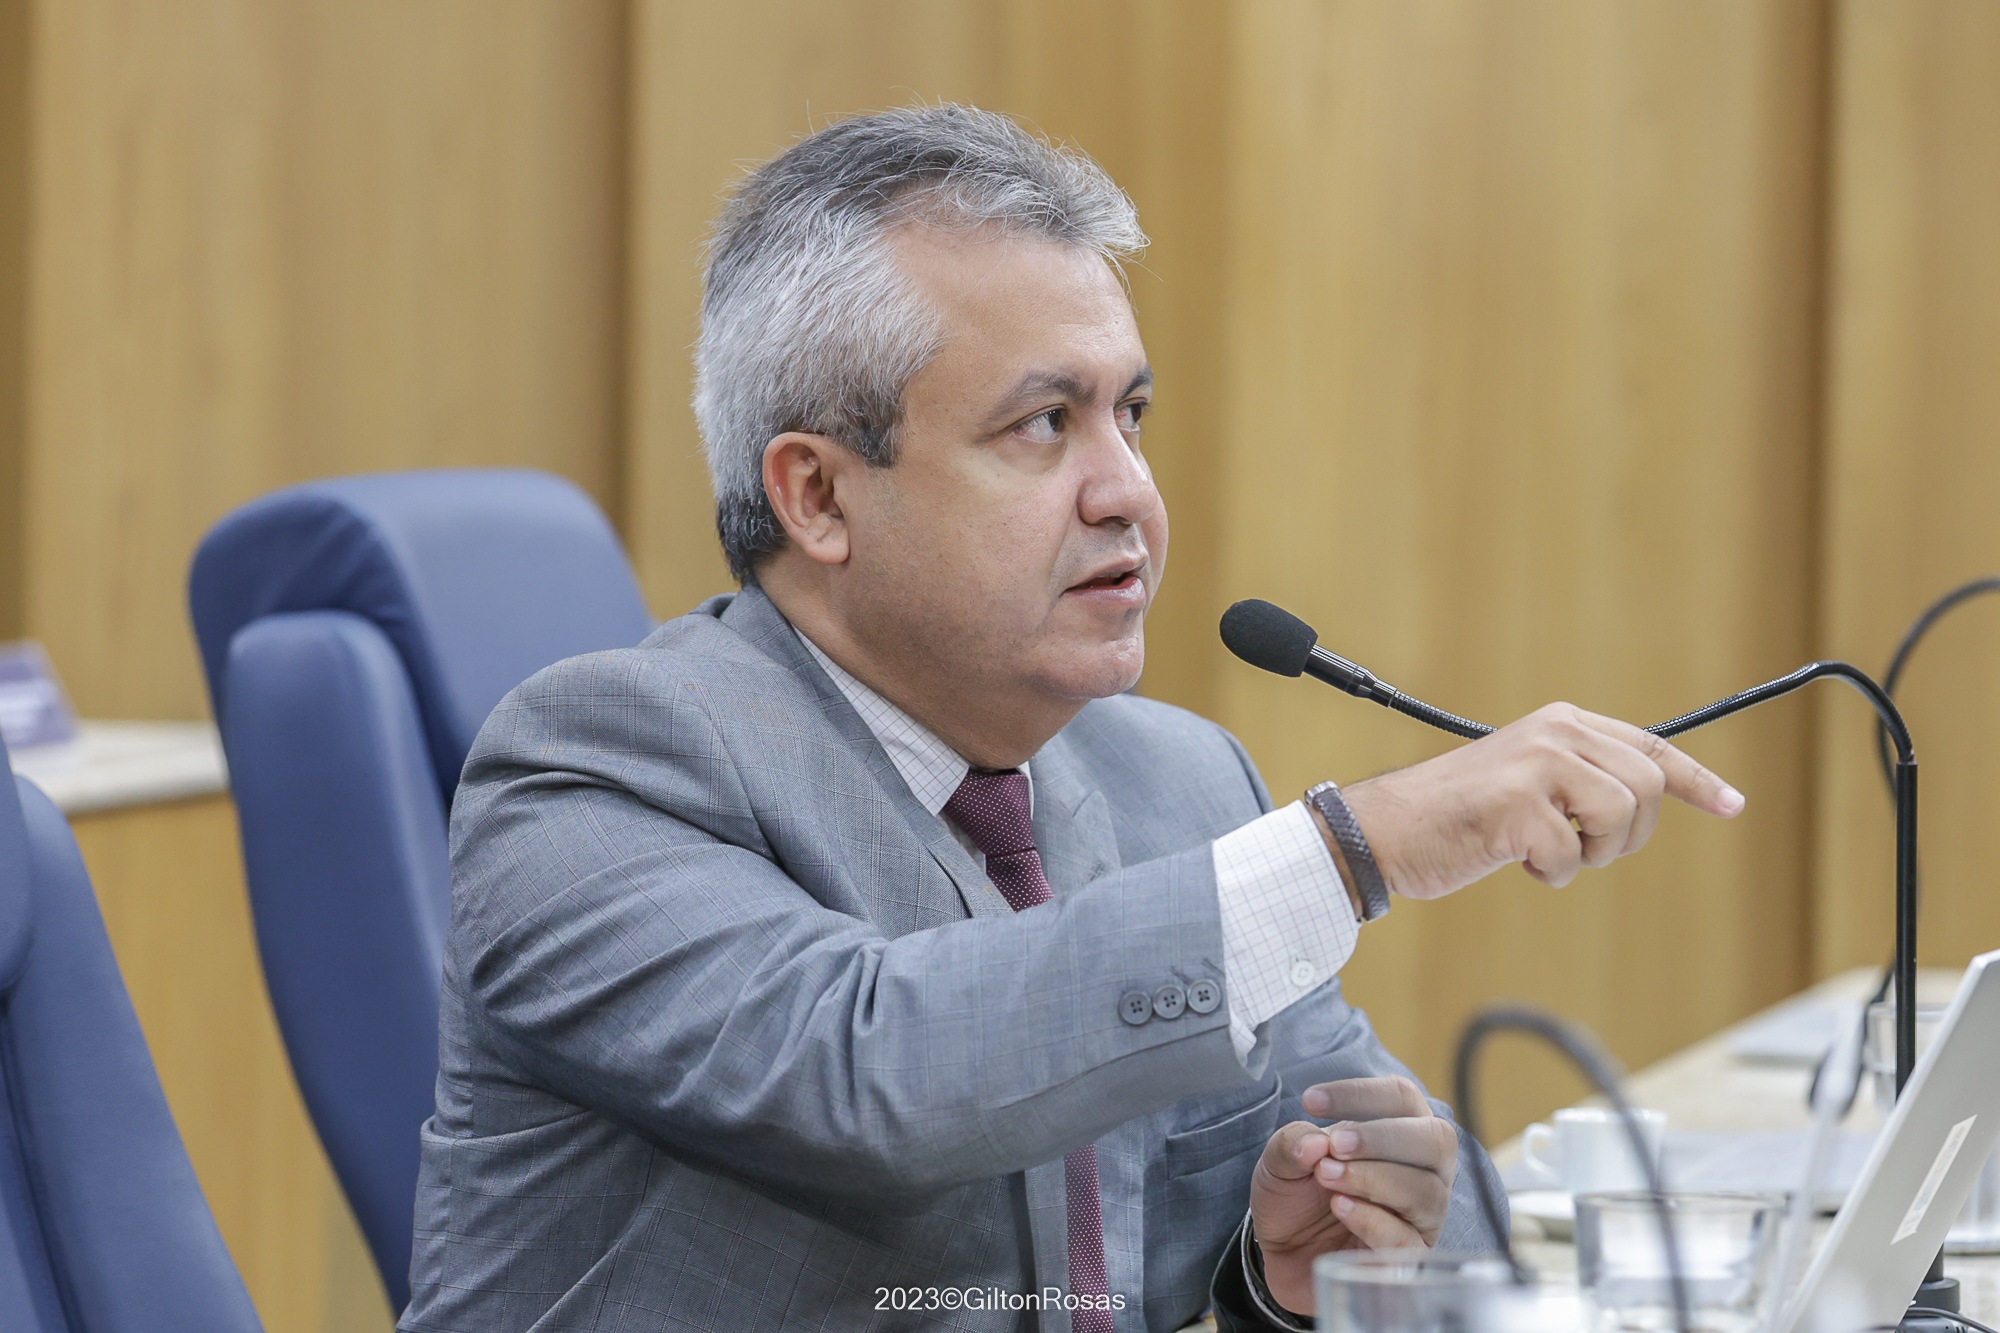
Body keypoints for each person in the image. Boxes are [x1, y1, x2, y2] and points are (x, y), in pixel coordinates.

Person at [400, 104, 1743, 1333]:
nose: (1129, 494)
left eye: (1131, 414)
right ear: (818, 496)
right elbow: (876, 1070)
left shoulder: (1180, 780)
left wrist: (1297, 1276)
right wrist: (1357, 846)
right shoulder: (590, 775)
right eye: (1044, 424)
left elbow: (1440, 1235)